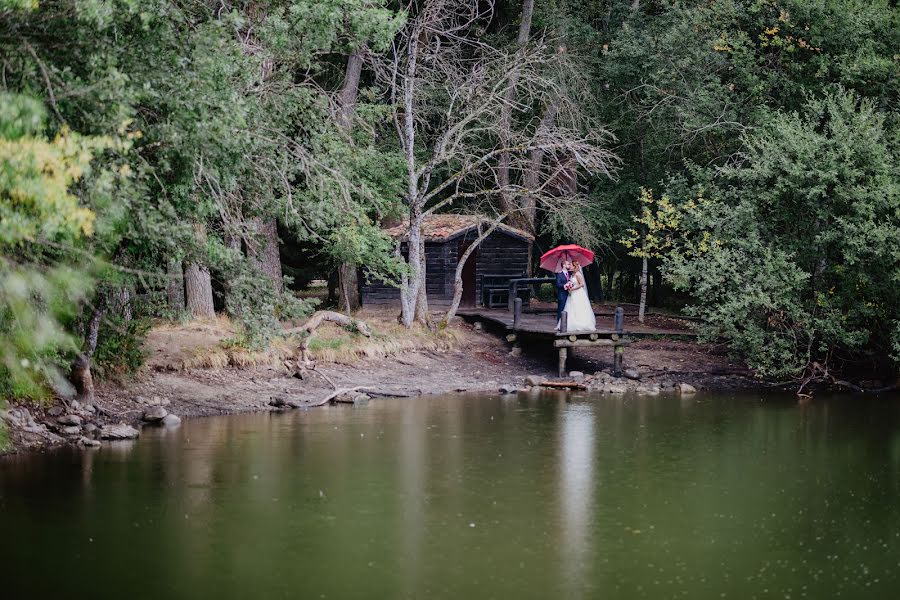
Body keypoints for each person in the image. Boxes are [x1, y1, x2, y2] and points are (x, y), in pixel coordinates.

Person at [561, 261, 596, 332]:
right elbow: (572, 282)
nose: (570, 266)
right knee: (571, 307)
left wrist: (573, 288)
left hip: (578, 293)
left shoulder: (578, 274)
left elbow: (582, 284)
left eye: (571, 265)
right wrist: (569, 286)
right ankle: (570, 323)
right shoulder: (572, 274)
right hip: (572, 293)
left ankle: (580, 323)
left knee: (578, 307)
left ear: (574, 266)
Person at [555, 260, 573, 329]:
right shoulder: (559, 274)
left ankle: (567, 324)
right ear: (564, 265)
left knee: (568, 309)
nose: (569, 265)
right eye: (568, 264)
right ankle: (558, 325)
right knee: (561, 309)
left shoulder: (570, 274)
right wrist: (565, 285)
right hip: (562, 294)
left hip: (569, 295)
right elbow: (558, 284)